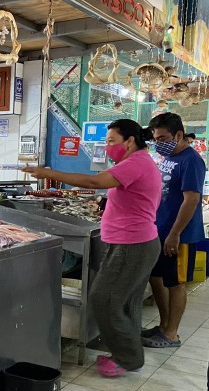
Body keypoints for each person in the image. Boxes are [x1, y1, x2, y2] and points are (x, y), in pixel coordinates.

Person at [23, 119, 161, 377]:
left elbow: (95, 182)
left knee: (104, 299)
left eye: (111, 141)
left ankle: (128, 357)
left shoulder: (136, 162)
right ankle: (129, 355)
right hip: (135, 241)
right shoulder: (137, 162)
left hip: (132, 244)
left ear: (129, 141)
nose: (108, 147)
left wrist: (49, 173)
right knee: (126, 301)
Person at [142, 112, 206, 348]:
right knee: (156, 278)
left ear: (179, 135)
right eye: (155, 139)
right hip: (159, 230)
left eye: (163, 138)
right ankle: (163, 326)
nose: (159, 143)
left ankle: (171, 333)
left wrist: (175, 233)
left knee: (175, 282)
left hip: (180, 235)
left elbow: (191, 200)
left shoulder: (192, 161)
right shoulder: (167, 158)